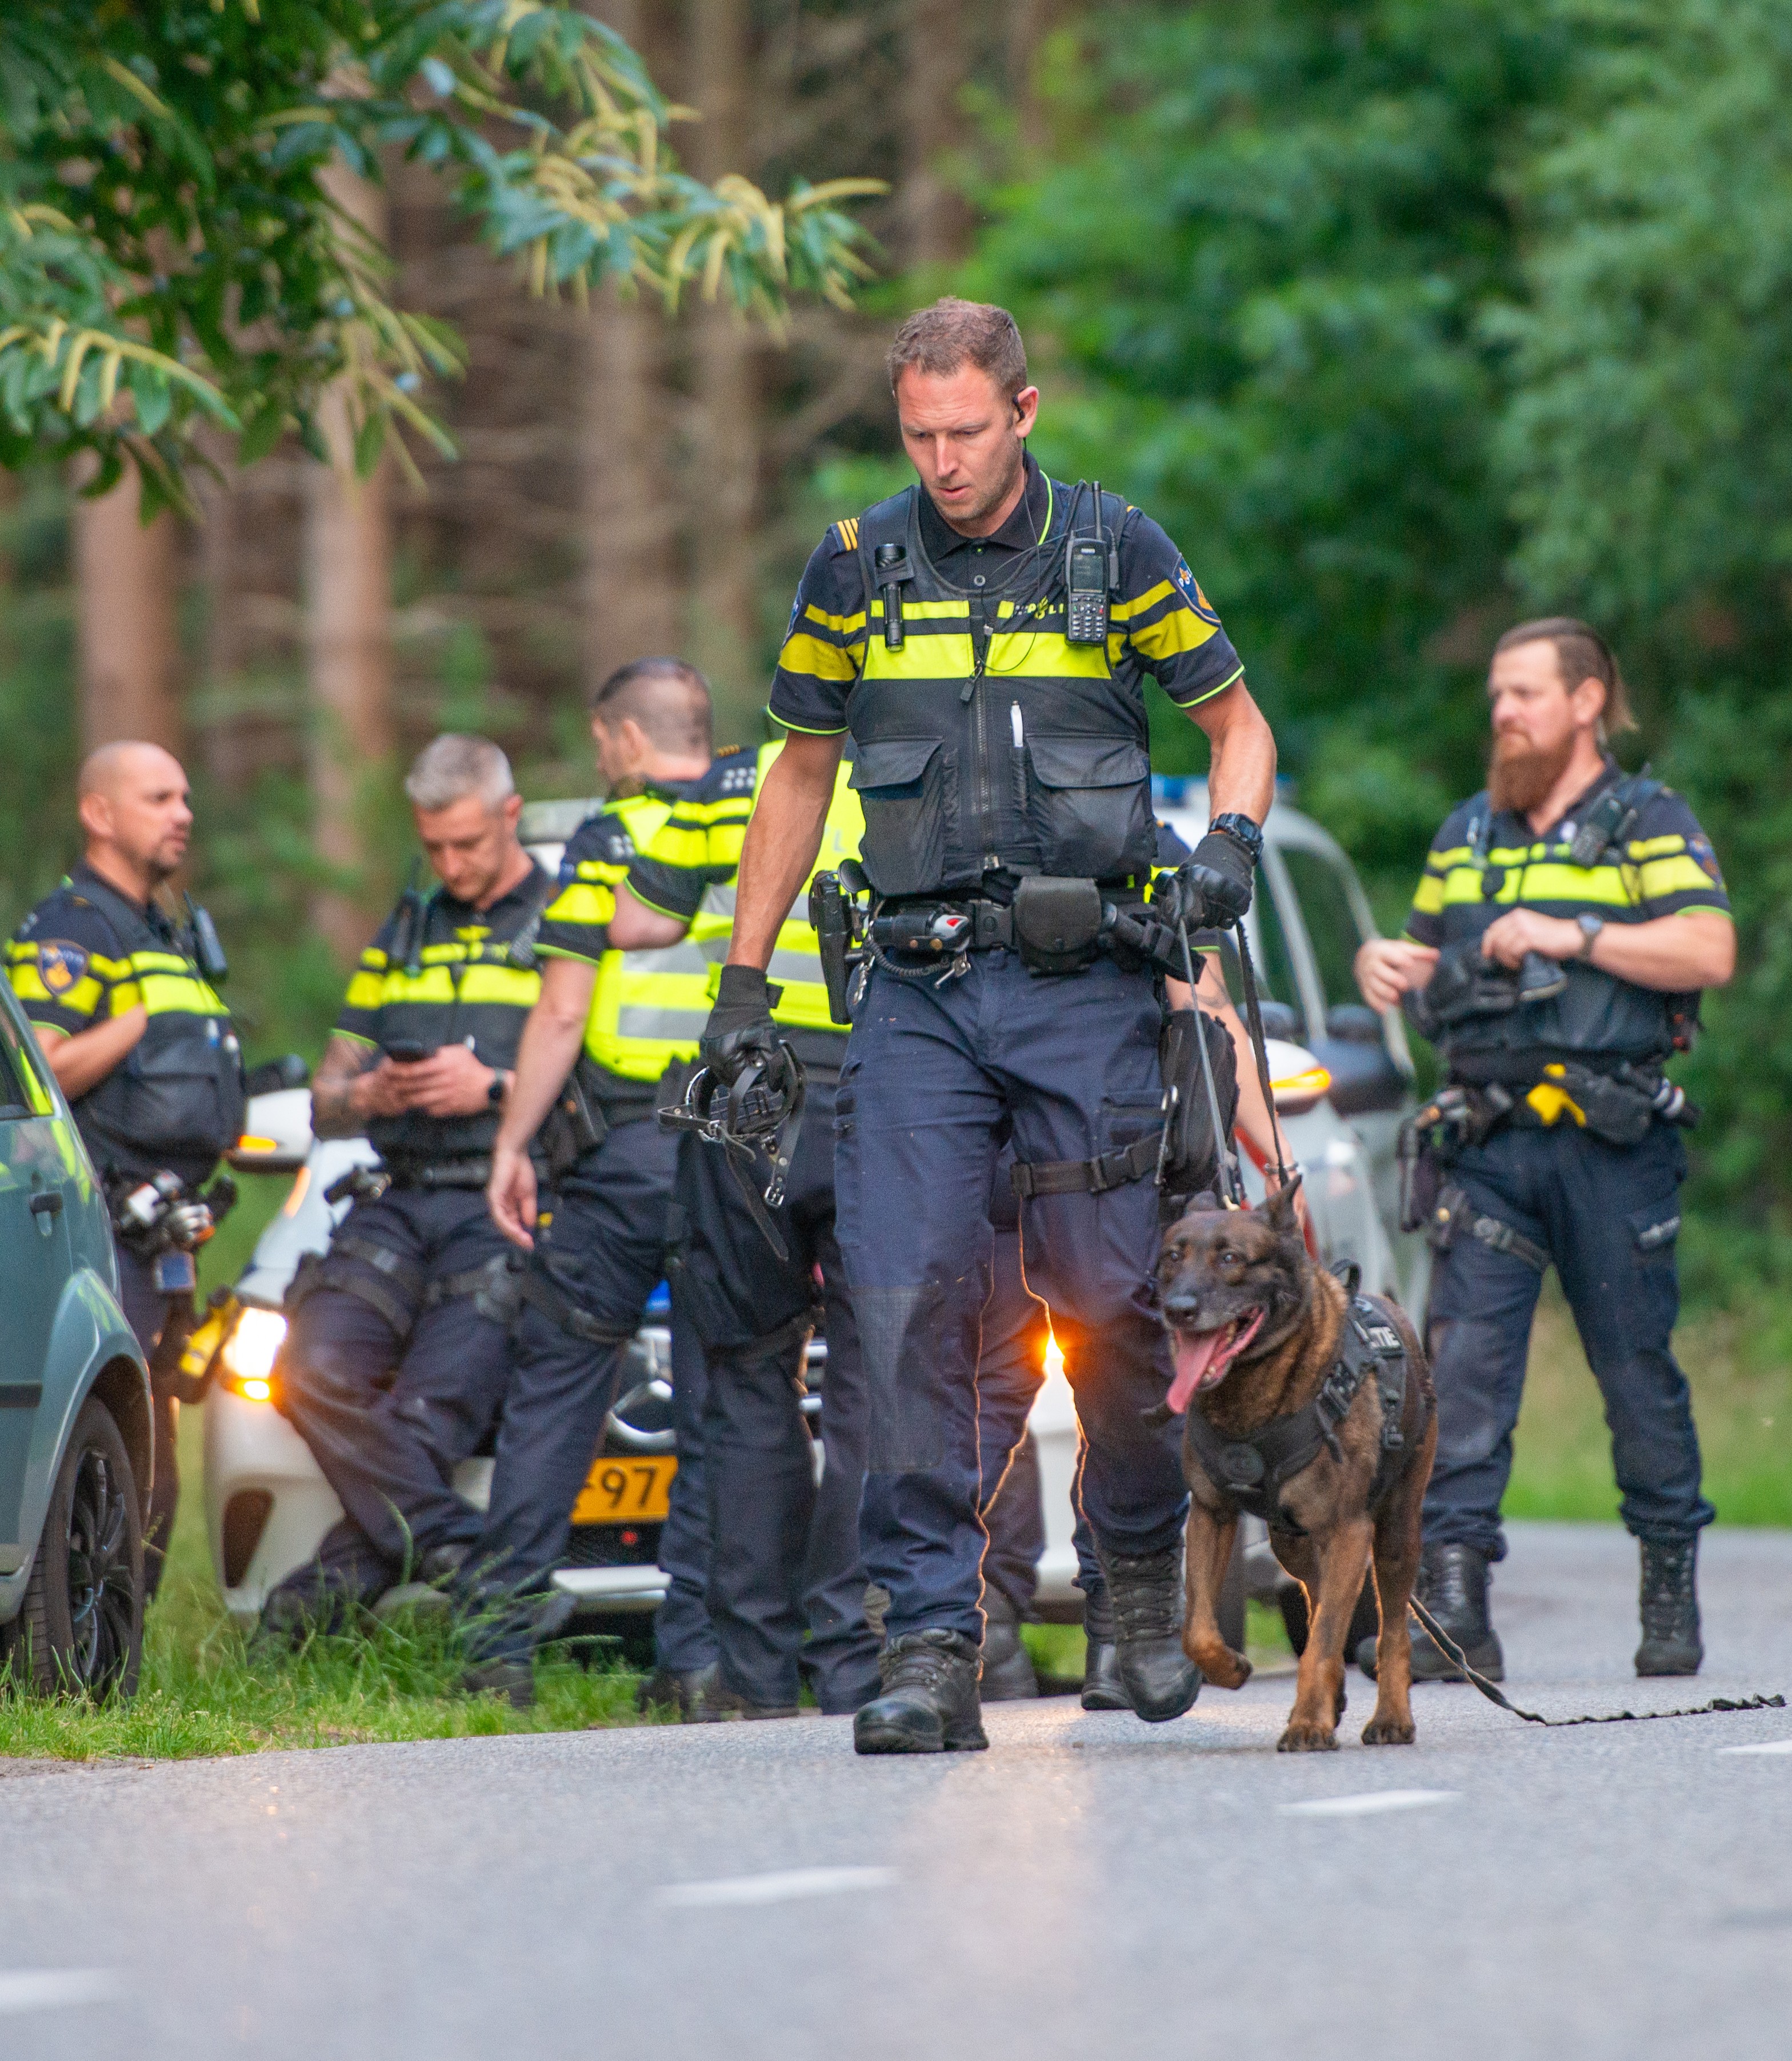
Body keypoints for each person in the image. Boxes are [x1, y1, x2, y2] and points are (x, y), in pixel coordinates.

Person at [707, 296, 1280, 1755]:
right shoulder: (854, 566)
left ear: (1022, 412)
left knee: (1112, 1304)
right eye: (919, 436)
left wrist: (1228, 848)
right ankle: (925, 1643)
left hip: (1086, 989)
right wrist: (745, 976)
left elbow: (1240, 725)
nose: (945, 460)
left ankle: (1137, 1589)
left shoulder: (1115, 549)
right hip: (913, 993)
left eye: (968, 431)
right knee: (899, 1309)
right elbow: (796, 771)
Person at [1353, 618, 1737, 1679]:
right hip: (1487, 1147)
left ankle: (1668, 1586)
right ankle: (1457, 1608)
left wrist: (1576, 935)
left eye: (1523, 693)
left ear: (1586, 700)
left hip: (1613, 1148)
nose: (1503, 714)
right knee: (1462, 1382)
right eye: (1495, 697)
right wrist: (1380, 965)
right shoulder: (1466, 833)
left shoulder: (1648, 823)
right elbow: (1421, 958)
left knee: (1634, 1374)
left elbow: (1711, 946)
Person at [470, 661, 753, 1711]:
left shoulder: (610, 840)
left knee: (556, 1390)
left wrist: (512, 1143)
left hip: (625, 1158)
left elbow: (557, 1012)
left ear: (627, 740)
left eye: (599, 745)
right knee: (720, 1404)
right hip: (739, 1151)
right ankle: (695, 1660)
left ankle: (499, 1650)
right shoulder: (761, 817)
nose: (599, 762)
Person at [259, 737, 556, 1643]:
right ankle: (476, 1565)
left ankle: (310, 1605)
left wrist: (495, 1087)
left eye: (467, 843)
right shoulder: (403, 931)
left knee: (423, 1416)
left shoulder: (571, 921)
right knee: (302, 1373)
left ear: (510, 815)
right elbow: (324, 1098)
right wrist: (371, 1093)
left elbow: (613, 1075)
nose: (451, 864)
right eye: (434, 848)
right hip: (394, 1199)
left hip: (503, 1202)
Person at [609, 735, 881, 1719]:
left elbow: (639, 919)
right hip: (889, 1095)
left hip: (748, 1095)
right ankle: (856, 1665)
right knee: (874, 1395)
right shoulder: (934, 743)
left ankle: (758, 1674)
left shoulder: (739, 773)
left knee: (744, 1388)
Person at [5, 739, 243, 1596]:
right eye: (158, 798)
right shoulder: (76, 927)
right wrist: (134, 1025)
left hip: (163, 1235)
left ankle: (115, 1666)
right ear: (98, 814)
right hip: (100, 1227)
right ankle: (77, 1663)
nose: (183, 812)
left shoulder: (160, 928)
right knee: (112, 1446)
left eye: (184, 796)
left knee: (156, 1454)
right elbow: (37, 1068)